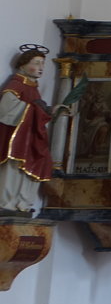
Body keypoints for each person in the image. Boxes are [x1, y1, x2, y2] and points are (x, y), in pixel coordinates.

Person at [0, 47, 69, 215]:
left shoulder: (34, 87)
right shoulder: (16, 84)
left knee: (33, 167)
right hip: (17, 138)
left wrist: (52, 110)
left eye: (43, 64)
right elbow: (5, 109)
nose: (41, 67)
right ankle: (7, 204)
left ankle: (22, 203)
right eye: (36, 63)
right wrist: (39, 110)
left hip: (31, 137)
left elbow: (39, 110)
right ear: (22, 65)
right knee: (14, 170)